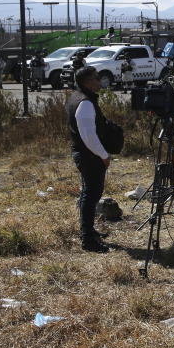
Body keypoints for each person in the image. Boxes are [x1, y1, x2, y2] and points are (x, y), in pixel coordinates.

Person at [66, 66, 112, 253]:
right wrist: (104, 155)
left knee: (90, 193)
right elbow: (88, 135)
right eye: (96, 78)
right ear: (87, 82)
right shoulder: (84, 102)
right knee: (90, 195)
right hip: (89, 155)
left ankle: (89, 231)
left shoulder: (77, 96)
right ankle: (87, 239)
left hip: (86, 154)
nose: (99, 81)